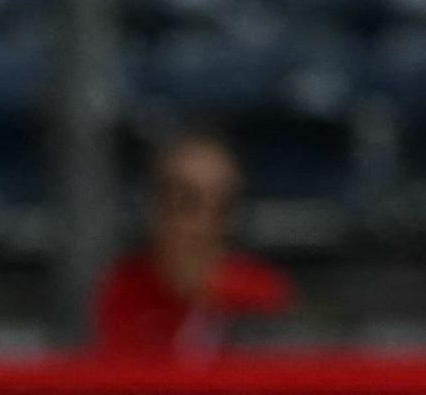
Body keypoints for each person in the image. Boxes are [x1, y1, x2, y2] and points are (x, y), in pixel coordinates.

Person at [90, 132, 292, 357]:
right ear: (156, 208)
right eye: (188, 203)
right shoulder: (119, 293)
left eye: (223, 208)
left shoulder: (261, 296)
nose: (205, 224)